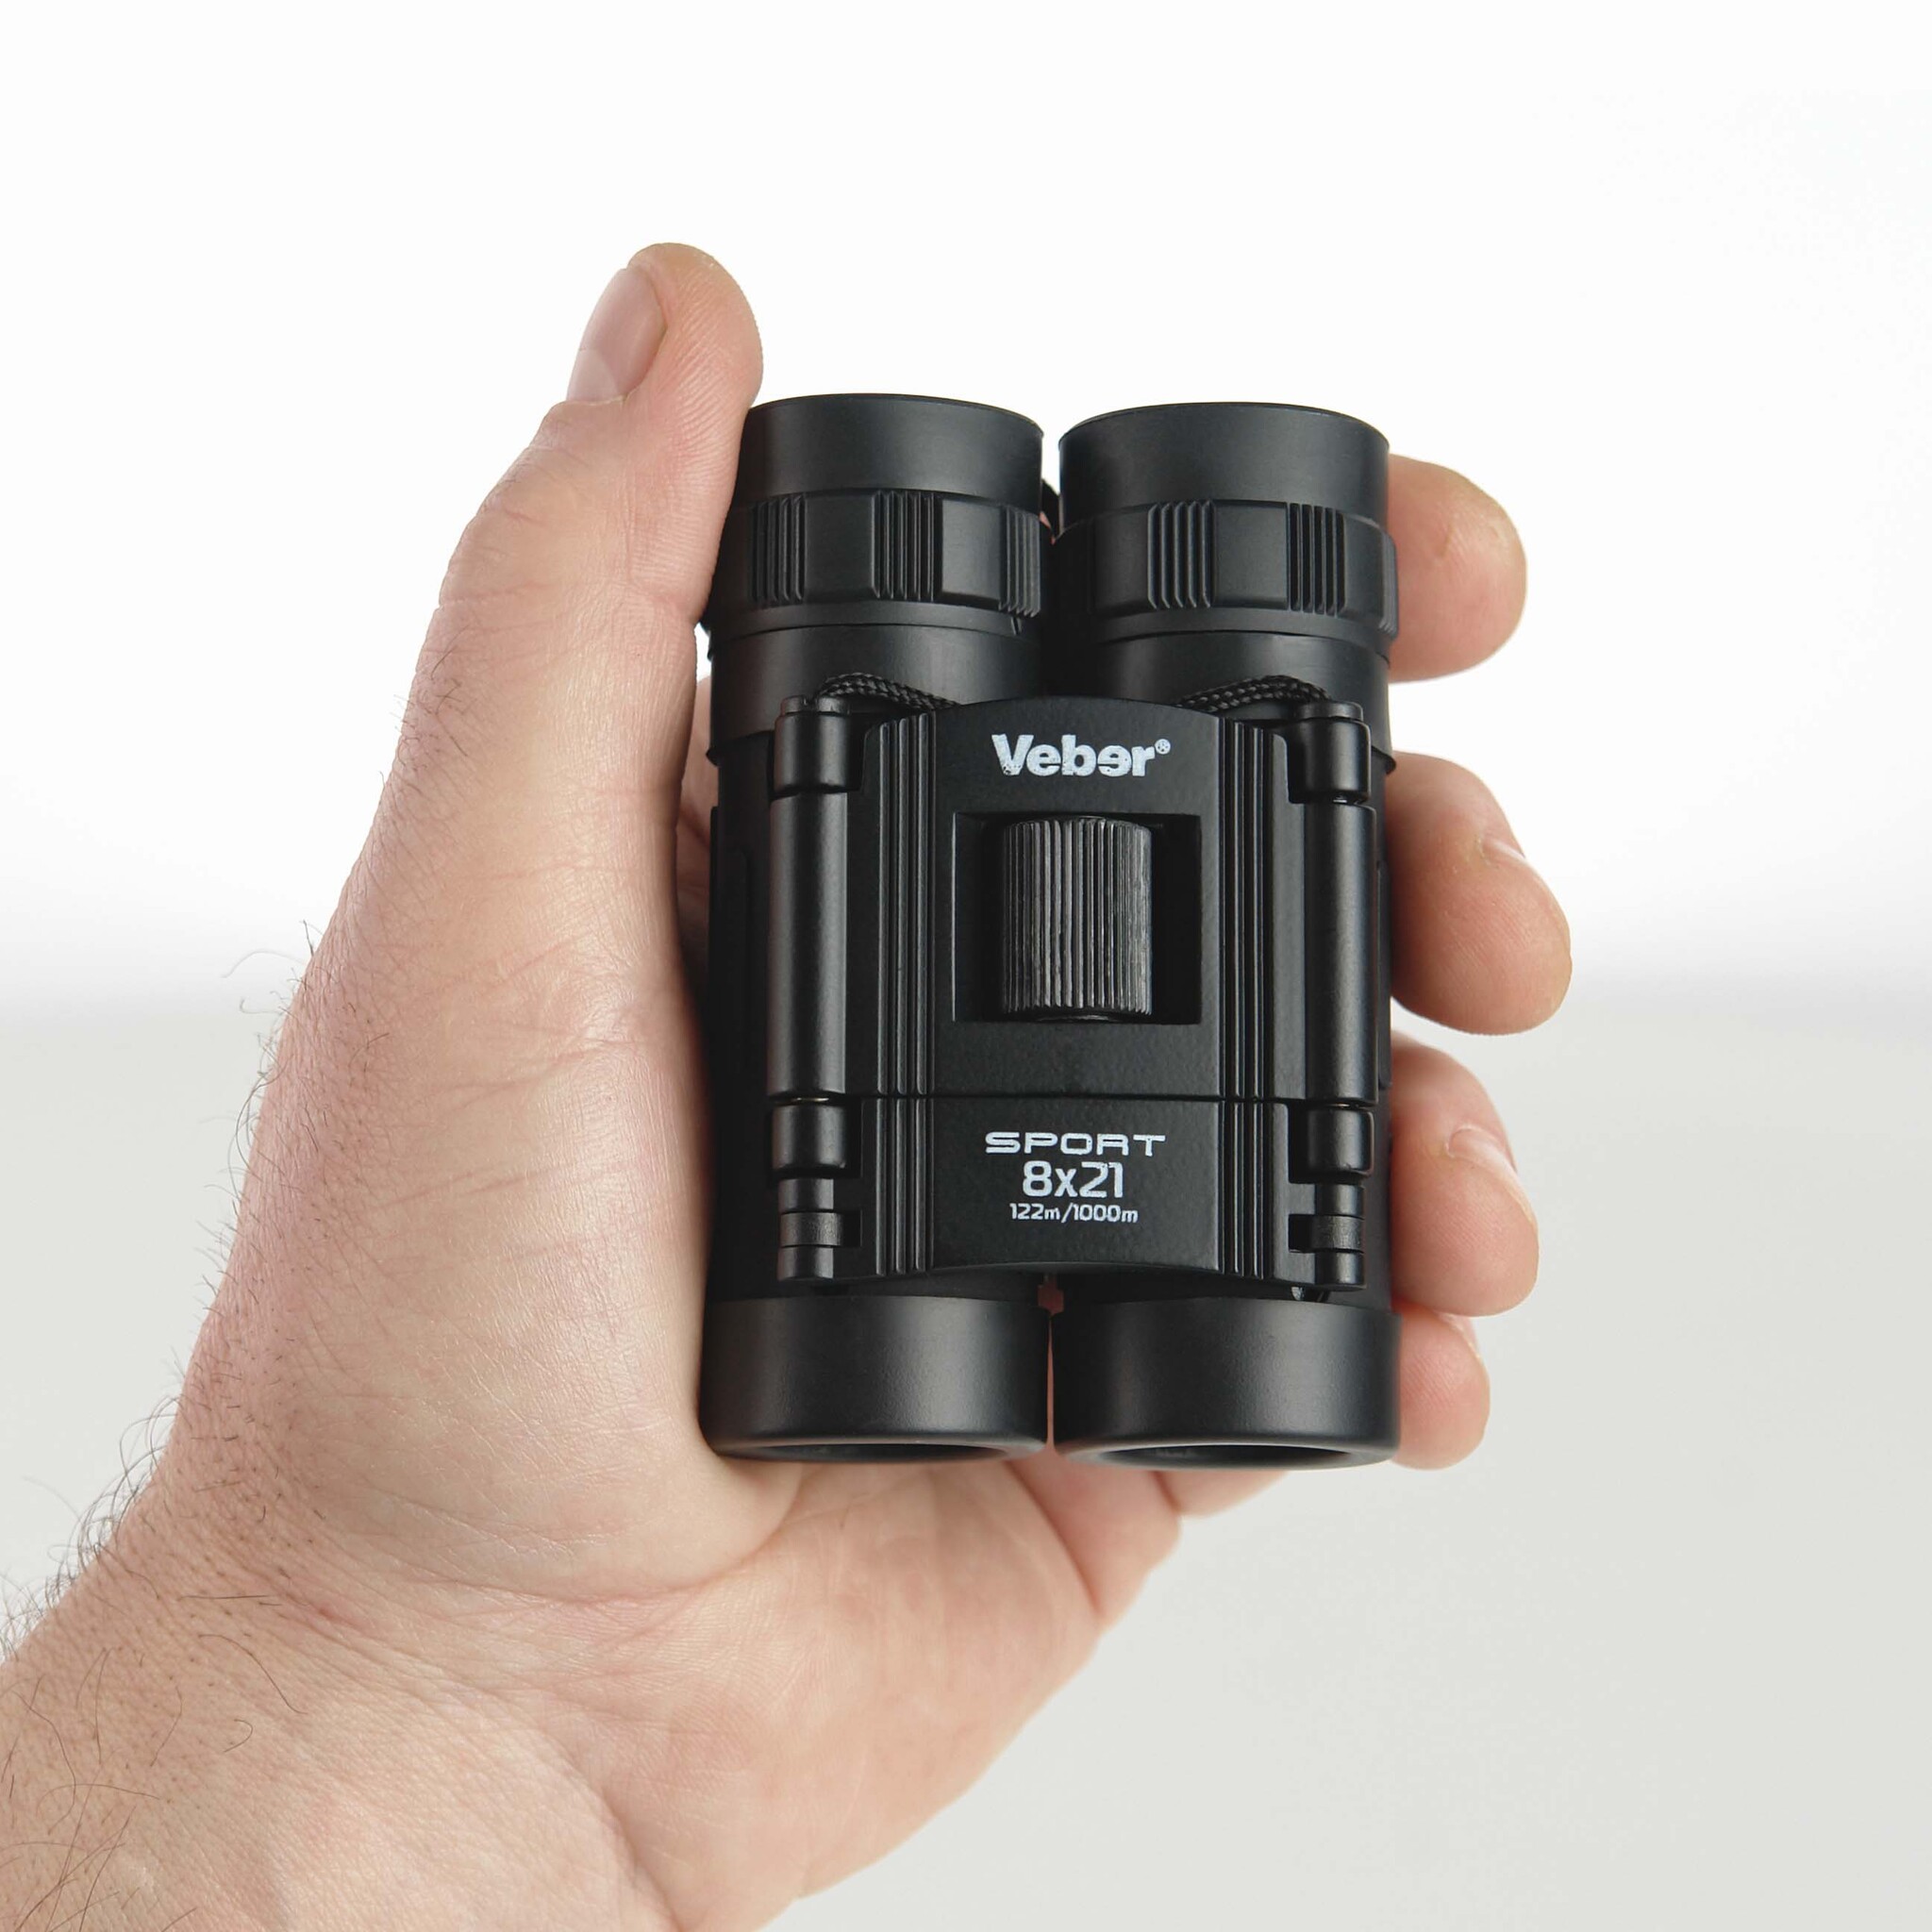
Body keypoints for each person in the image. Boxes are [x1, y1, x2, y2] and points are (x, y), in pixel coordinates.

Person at [0, 245, 1570, 1927]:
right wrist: (423, 1658)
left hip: (849, 1221)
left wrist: (396, 1674)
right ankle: (1197, 1314)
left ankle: (955, 1323)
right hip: (1085, 1235)